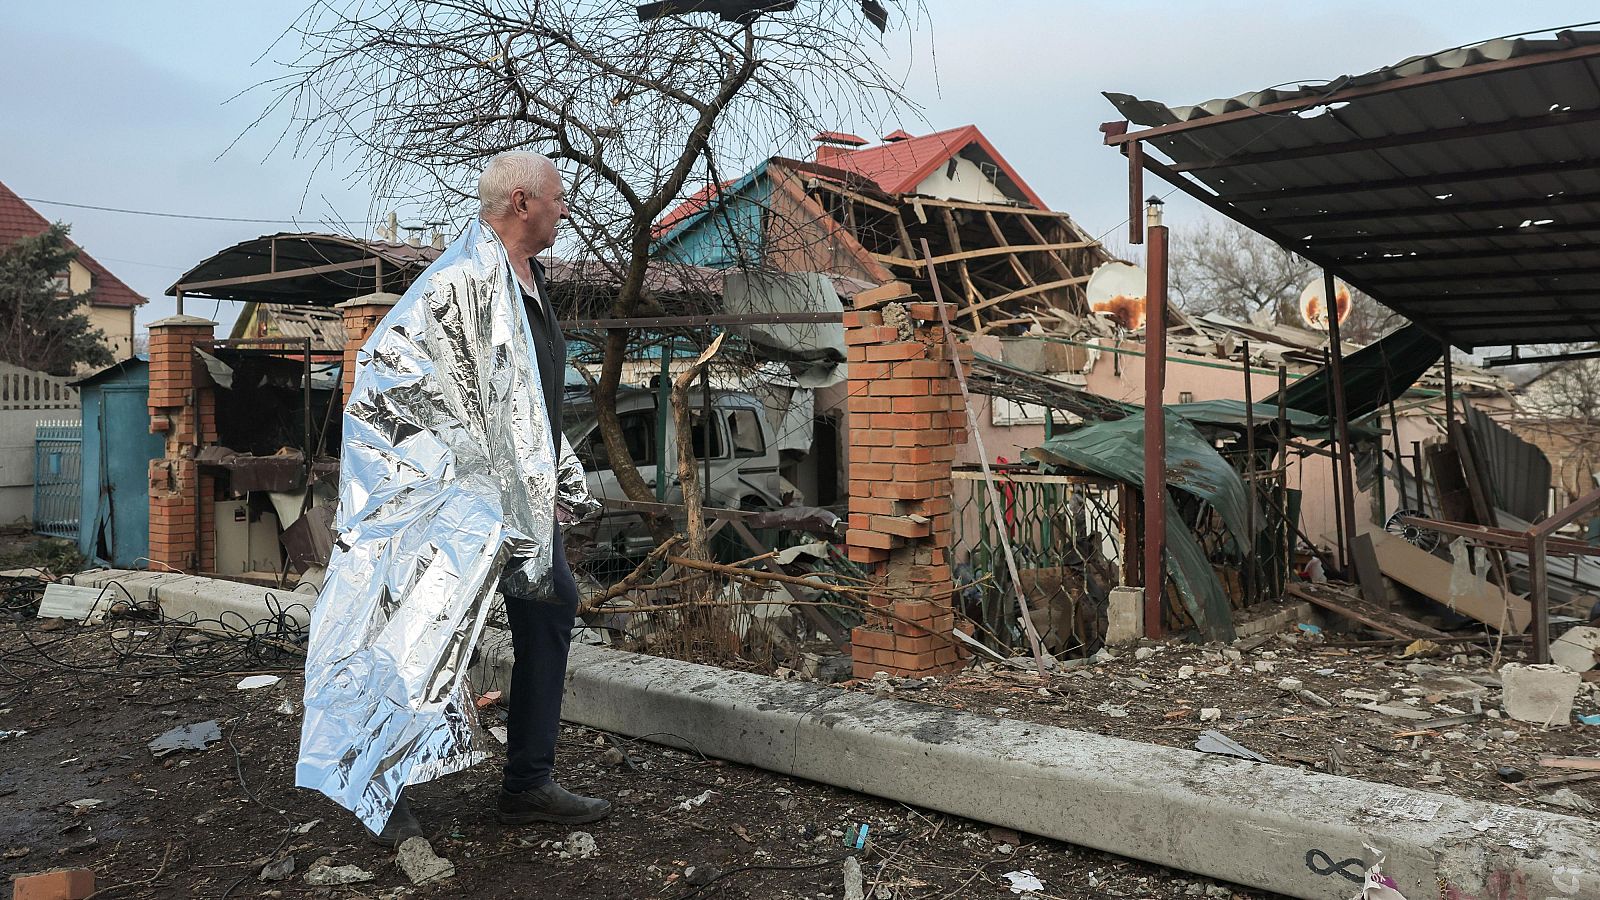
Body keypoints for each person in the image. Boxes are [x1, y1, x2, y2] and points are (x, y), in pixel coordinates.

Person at [296, 150, 607, 846]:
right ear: (522, 201)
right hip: (447, 503)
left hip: (514, 501)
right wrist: (460, 484)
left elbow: (527, 403)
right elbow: (393, 378)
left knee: (551, 603)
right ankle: (384, 779)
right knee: (417, 633)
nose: (566, 209)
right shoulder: (457, 282)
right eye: (558, 198)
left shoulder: (529, 282)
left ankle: (528, 784)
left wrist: (543, 480)